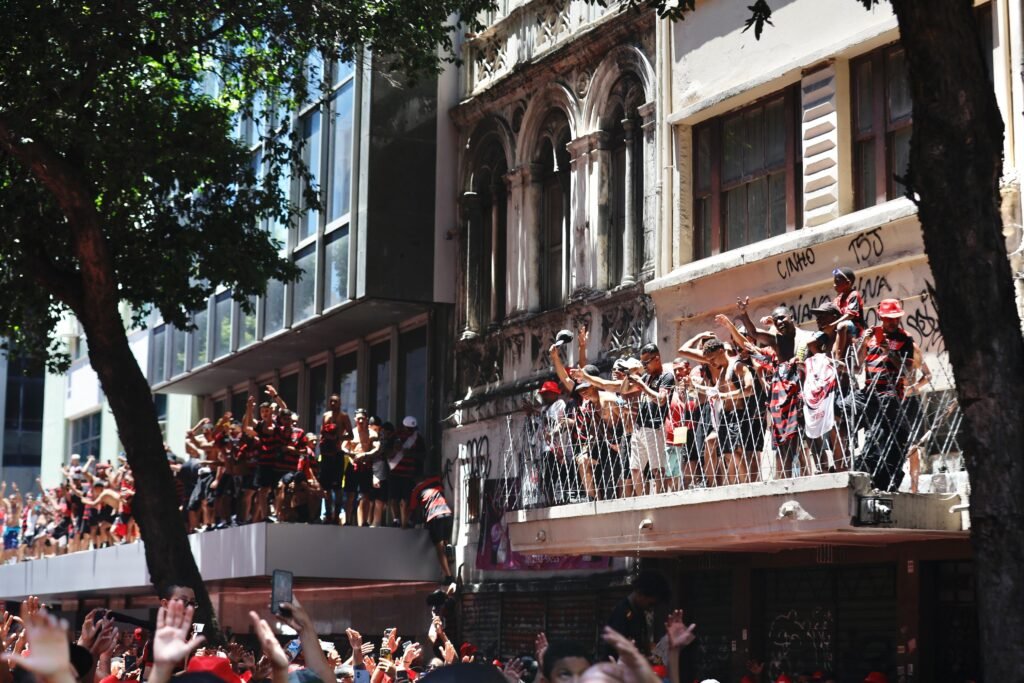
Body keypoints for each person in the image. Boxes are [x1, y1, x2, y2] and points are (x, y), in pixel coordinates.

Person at [856, 298, 918, 491]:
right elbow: (857, 367)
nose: (893, 322)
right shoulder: (871, 336)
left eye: (896, 318)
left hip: (890, 394)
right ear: (880, 316)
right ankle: (846, 464)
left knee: (881, 437)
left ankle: (881, 478)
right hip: (869, 394)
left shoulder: (905, 339)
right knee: (843, 408)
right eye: (889, 318)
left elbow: (908, 374)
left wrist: (889, 352)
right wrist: (862, 343)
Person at [627, 343, 675, 496]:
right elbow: (623, 392)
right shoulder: (646, 377)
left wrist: (642, 385)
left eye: (646, 362)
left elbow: (661, 400)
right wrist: (629, 375)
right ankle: (641, 499)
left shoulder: (666, 377)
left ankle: (659, 496)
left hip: (654, 427)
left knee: (657, 468)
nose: (644, 366)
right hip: (639, 427)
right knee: (635, 468)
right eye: (642, 362)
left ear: (657, 359)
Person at [602, 570, 672, 658]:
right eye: (651, 604)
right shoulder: (622, 612)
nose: (651, 608)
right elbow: (616, 646)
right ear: (640, 593)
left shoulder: (639, 611)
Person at [410, 472, 455, 594]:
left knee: (439, 548)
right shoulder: (435, 480)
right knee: (446, 544)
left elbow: (414, 511)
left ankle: (449, 577)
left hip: (434, 516)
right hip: (447, 513)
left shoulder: (416, 490)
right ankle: (450, 566)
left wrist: (412, 523)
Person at [340, 408, 380, 527]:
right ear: (355, 420)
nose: (360, 421)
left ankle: (363, 521)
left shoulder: (372, 434)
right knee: (350, 495)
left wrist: (365, 454)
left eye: (363, 418)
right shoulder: (351, 433)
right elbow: (343, 446)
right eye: (358, 419)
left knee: (365, 495)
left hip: (366, 466)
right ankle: (347, 520)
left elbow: (377, 448)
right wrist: (351, 453)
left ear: (367, 419)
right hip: (353, 466)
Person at [389, 416, 426, 528]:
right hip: (394, 472)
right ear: (404, 427)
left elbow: (423, 455)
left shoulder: (418, 438)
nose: (411, 431)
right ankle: (396, 520)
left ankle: (406, 521)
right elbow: (386, 452)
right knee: (394, 498)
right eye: (409, 429)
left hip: (409, 474)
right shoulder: (394, 436)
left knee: (407, 499)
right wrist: (394, 450)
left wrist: (410, 453)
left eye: (413, 429)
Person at [830, 267, 866, 362]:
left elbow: (850, 315)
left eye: (837, 282)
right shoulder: (838, 298)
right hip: (842, 328)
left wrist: (833, 324)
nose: (834, 285)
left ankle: (838, 360)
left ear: (848, 283)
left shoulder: (854, 295)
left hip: (855, 328)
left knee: (841, 325)